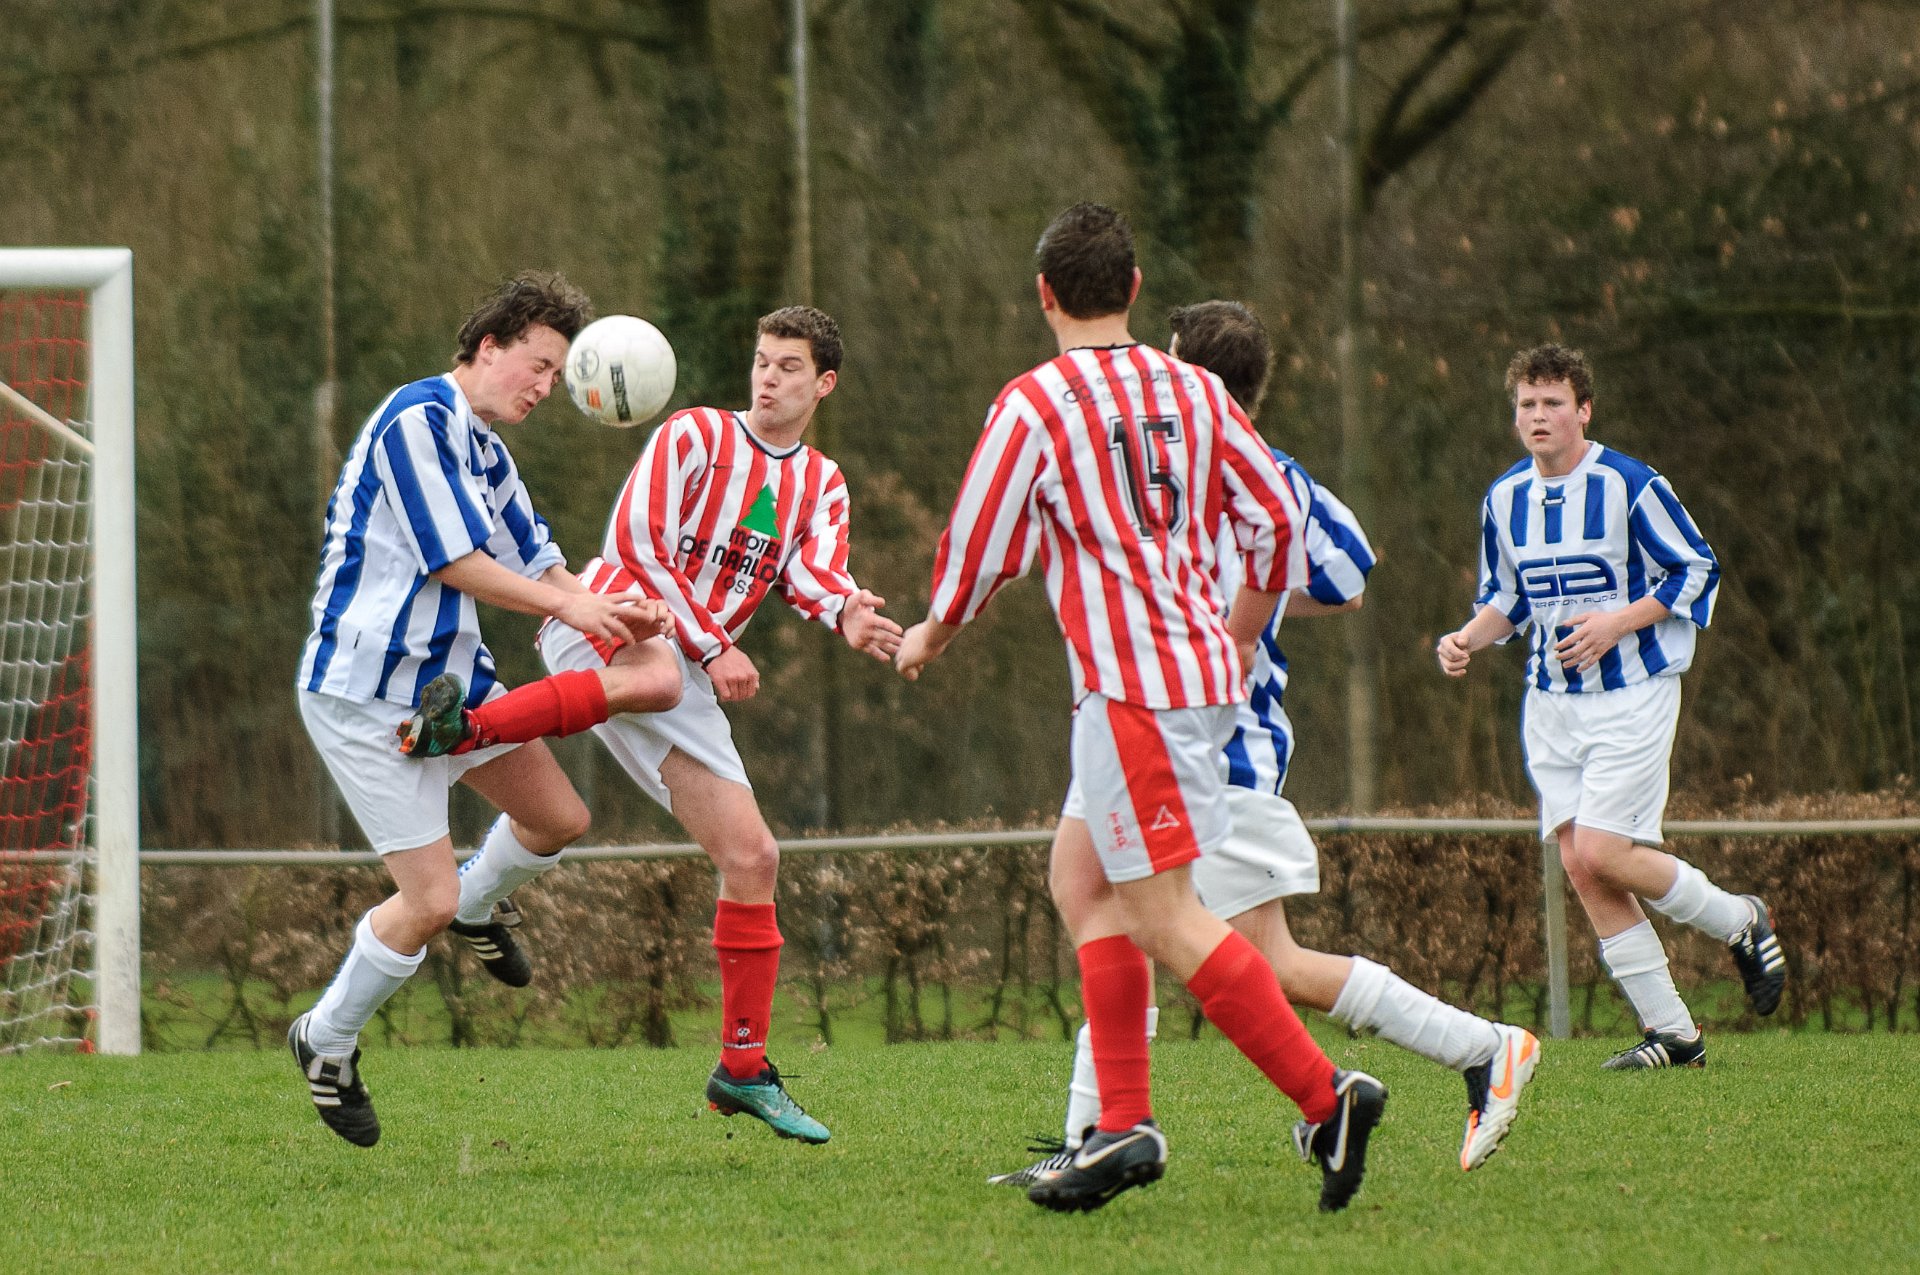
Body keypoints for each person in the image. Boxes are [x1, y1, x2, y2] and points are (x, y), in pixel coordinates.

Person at [895, 206, 1386, 1214]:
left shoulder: (1034, 404)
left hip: (1137, 692)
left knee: (1163, 916)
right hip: (1184, 682)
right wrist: (1238, 631)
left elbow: (980, 543)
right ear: (1134, 287)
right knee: (1081, 881)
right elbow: (1278, 521)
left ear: (1044, 295)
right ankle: (1123, 1123)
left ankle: (1327, 1097)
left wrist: (931, 633)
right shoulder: (1197, 390)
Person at [989, 301, 1536, 1192]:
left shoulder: (1178, 468)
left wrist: (1238, 623)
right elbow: (1348, 577)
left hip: (1208, 744)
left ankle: (1479, 1047)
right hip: (1148, 723)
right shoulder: (1267, 472)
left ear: (1188, 374)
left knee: (1234, 948)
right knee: (1104, 901)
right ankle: (1098, 1130)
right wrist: (1257, 607)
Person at [402, 304, 902, 1144]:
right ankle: (468, 727)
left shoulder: (822, 482)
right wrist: (714, 644)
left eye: (788, 367)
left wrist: (846, 608)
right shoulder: (694, 435)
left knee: (753, 856)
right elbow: (639, 545)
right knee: (663, 674)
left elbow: (814, 568)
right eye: (761, 359)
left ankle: (741, 1067)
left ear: (824, 384)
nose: (768, 377)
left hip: (680, 667)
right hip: (609, 617)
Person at [290, 271, 678, 1147]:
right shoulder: (417, 419)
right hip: (365, 695)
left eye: (558, 374)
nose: (548, 387)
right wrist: (573, 608)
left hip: (450, 685)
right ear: (488, 345)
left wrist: (610, 610)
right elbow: (453, 560)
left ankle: (476, 905)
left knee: (557, 818)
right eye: (539, 365)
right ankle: (327, 1038)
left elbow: (540, 560)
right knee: (423, 900)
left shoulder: (487, 451)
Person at [1436, 343, 1786, 1069]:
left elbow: (1697, 570)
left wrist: (1616, 623)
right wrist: (1466, 637)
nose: (1538, 415)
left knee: (1604, 850)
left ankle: (1740, 918)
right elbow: (1508, 599)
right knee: (1582, 864)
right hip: (1550, 705)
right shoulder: (1503, 499)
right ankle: (1675, 1034)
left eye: (1553, 402)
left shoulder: (1631, 484)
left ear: (1584, 410)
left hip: (1633, 694)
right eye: (1527, 404)